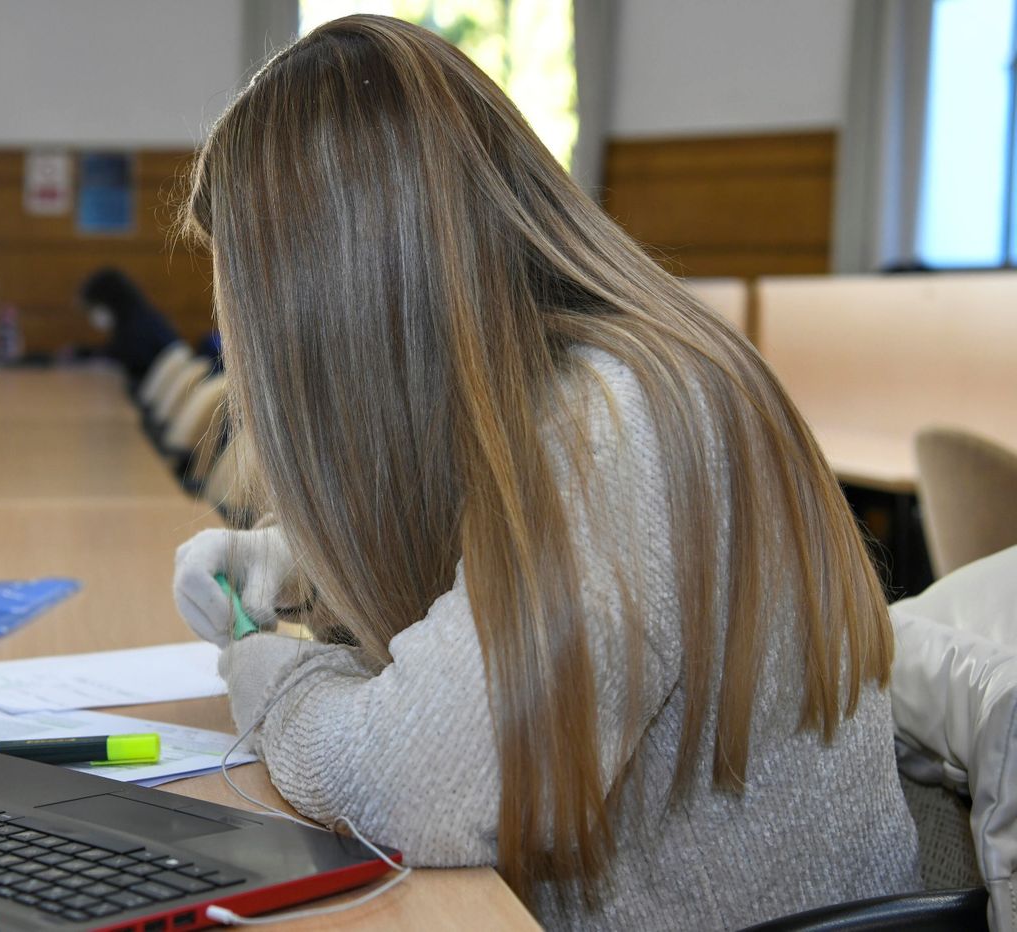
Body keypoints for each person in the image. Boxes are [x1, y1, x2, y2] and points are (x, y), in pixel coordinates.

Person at [170, 15, 917, 930]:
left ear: (335, 313)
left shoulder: (618, 417)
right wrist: (288, 563)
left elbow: (419, 783)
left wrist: (265, 675)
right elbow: (486, 543)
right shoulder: (569, 386)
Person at [75, 267, 182, 392]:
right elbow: (113, 353)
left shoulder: (139, 327)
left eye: (94, 308)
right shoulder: (137, 319)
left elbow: (125, 359)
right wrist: (84, 353)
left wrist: (84, 355)